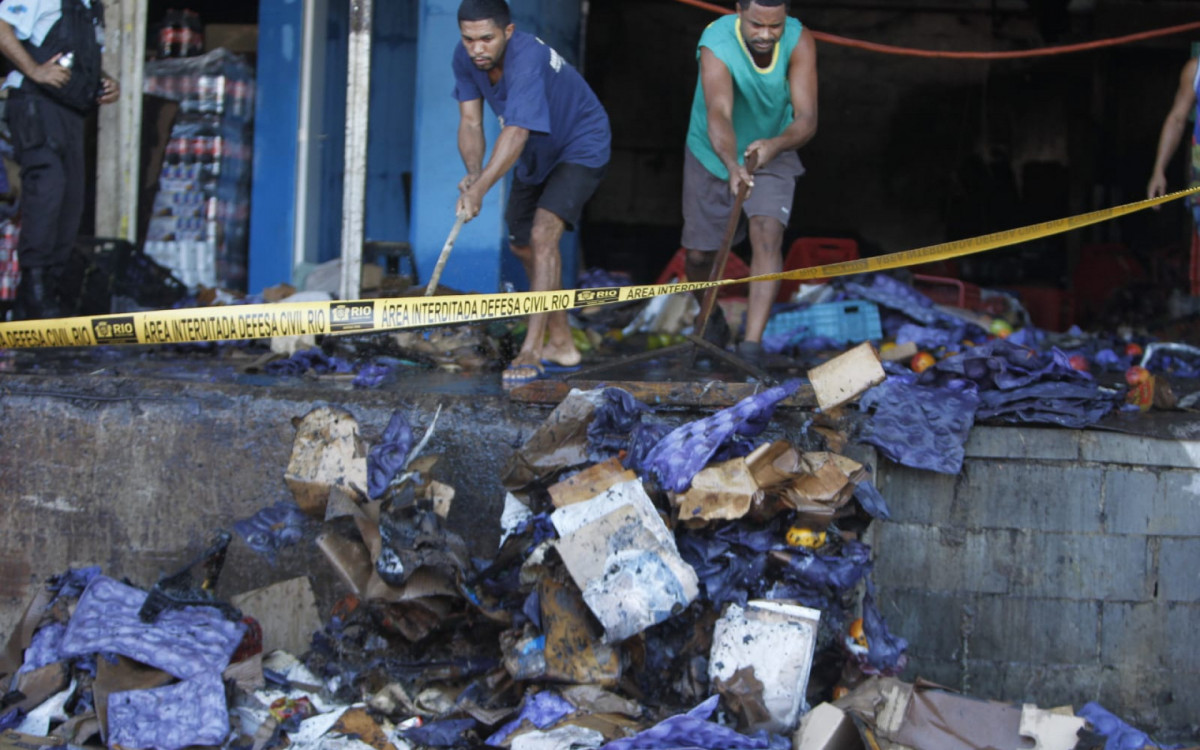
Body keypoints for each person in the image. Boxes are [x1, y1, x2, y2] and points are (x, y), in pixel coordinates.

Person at [452, 0, 610, 385]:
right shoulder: (466, 59)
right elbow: (471, 122)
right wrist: (474, 175)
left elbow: (517, 131)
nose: (477, 48)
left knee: (543, 236)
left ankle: (532, 350)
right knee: (522, 244)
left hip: (579, 145)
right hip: (533, 154)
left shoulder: (527, 57)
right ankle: (562, 343)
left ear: (508, 32)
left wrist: (483, 190)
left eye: (486, 38)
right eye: (469, 39)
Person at [681, 0, 817, 363]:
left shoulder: (800, 39)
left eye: (775, 26)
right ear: (738, 10)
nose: (766, 35)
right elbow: (719, 111)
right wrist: (730, 164)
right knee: (697, 257)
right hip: (712, 151)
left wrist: (777, 144)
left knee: (767, 233)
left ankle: (751, 347)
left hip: (774, 146)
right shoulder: (716, 41)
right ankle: (713, 320)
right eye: (757, 25)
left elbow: (806, 118)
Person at [0, 0, 119, 320]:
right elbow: (1, 26)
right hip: (34, 102)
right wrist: (34, 69)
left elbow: (81, 57)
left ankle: (42, 296)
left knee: (71, 202)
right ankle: (34, 285)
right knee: (48, 188)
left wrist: (105, 81)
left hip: (69, 112)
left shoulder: (91, 8)